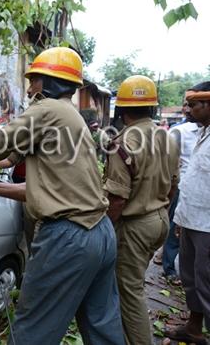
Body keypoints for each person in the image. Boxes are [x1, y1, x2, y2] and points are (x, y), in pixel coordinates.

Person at [0, 47, 124, 345]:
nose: (29, 89)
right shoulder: (71, 118)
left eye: (34, 80)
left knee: (31, 332)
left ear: (49, 82)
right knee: (102, 327)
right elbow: (35, 178)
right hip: (100, 234)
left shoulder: (47, 109)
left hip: (69, 238)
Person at [103, 75, 180, 345]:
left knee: (129, 292)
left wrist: (105, 231)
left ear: (122, 111)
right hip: (160, 220)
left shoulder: (122, 143)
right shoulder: (167, 137)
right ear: (152, 108)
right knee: (133, 284)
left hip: (135, 225)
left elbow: (117, 201)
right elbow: (173, 186)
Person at [163, 81, 210, 345]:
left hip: (208, 227)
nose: (187, 110)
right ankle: (194, 328)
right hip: (193, 220)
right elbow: (195, 181)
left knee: (207, 286)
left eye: (193, 105)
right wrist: (181, 220)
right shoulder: (202, 133)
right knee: (191, 280)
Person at [160, 98, 198, 285]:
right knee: (175, 229)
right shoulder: (179, 132)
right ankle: (169, 268)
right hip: (182, 188)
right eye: (186, 105)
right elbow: (163, 155)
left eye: (192, 105)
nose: (187, 110)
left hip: (202, 194)